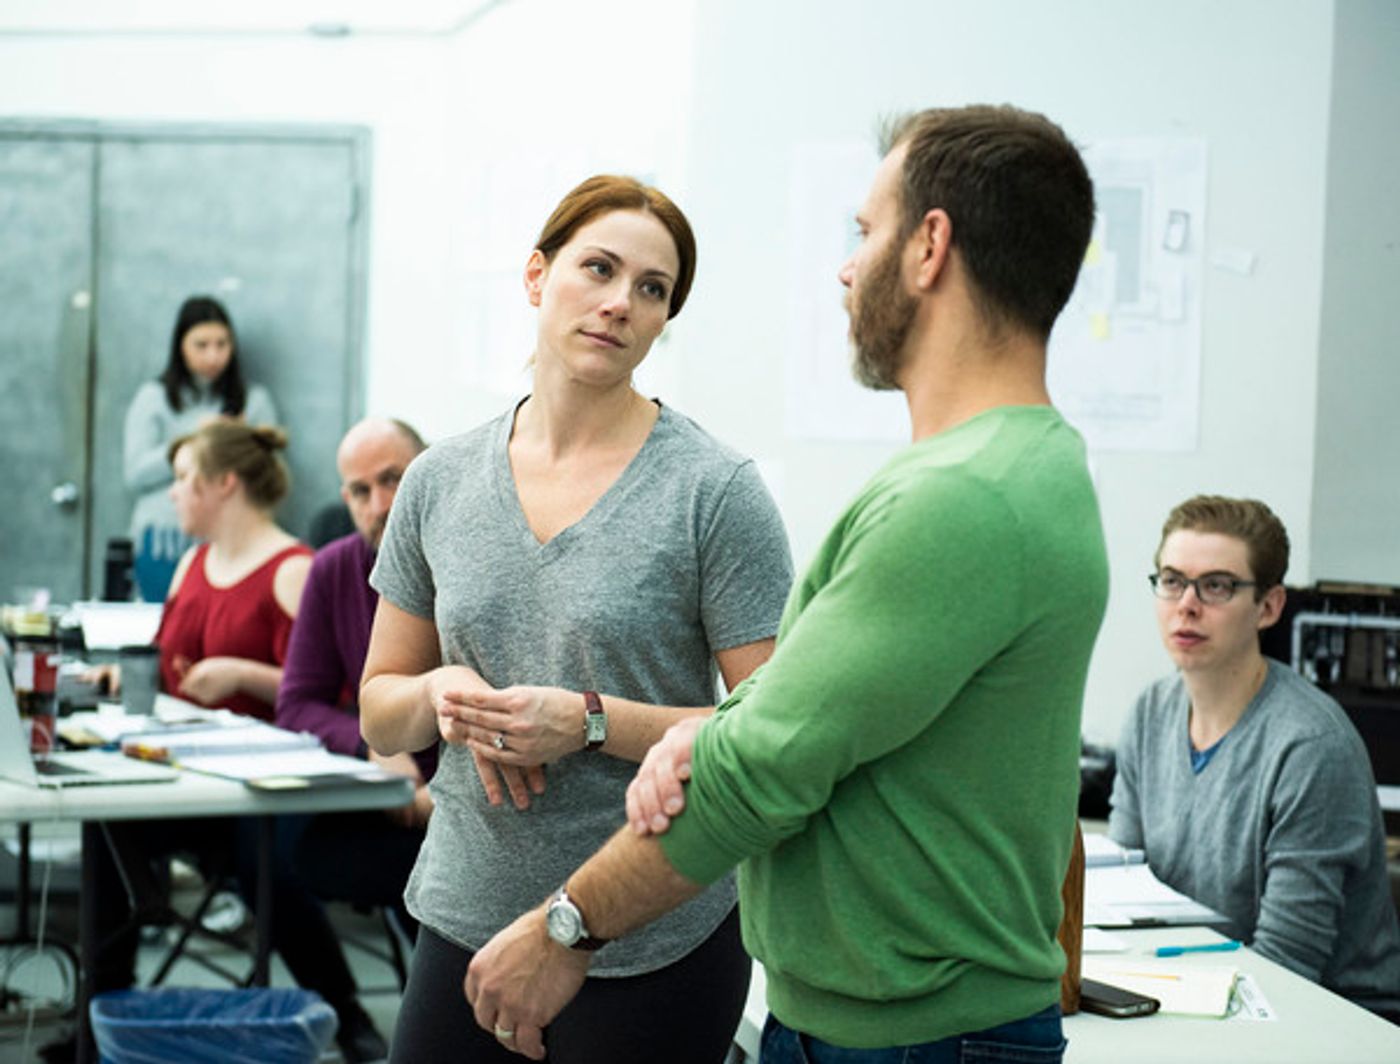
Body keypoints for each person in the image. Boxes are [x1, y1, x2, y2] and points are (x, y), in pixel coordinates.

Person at [462, 104, 1108, 1064]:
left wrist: (565, 928)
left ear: (930, 247)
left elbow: (761, 776)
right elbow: (794, 711)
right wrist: (709, 726)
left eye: (866, 232)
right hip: (894, 1024)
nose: (849, 267)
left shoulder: (963, 500)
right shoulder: (1016, 468)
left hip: (912, 1040)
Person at [359, 175, 794, 1064]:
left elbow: (774, 732)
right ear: (535, 277)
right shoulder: (439, 480)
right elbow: (379, 705)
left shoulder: (714, 492)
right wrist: (442, 692)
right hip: (463, 921)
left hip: (649, 934)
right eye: (598, 268)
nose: (619, 303)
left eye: (651, 289)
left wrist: (587, 722)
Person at [89, 422, 386, 1064]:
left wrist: (242, 674)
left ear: (223, 484)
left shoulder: (293, 572)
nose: (172, 495)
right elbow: (171, 664)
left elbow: (325, 695)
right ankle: (100, 1015)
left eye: (183, 480)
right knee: (105, 828)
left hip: (272, 784)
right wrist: (124, 675)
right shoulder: (193, 563)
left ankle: (345, 1011)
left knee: (264, 861)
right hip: (192, 774)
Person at [1109, 495, 1400, 1018]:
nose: (1187, 604)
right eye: (1172, 580)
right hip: (1196, 993)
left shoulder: (1310, 747)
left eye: (1217, 585)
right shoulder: (1150, 714)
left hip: (1326, 1022)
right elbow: (1123, 900)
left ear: (1268, 607)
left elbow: (1288, 966)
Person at [276, 416, 436, 938]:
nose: (380, 505)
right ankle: (343, 1015)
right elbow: (298, 703)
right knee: (291, 853)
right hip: (390, 803)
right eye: (360, 491)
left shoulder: (476, 563)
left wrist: (449, 793)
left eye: (394, 479)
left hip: (481, 802)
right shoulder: (334, 570)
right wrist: (374, 745)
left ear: (429, 472)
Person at [124, 295, 277, 601]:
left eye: (222, 344)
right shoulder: (154, 398)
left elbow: (268, 474)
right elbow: (135, 473)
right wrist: (196, 439)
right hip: (163, 538)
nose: (213, 356)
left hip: (229, 536)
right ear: (181, 346)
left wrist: (234, 441)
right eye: (202, 345)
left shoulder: (253, 400)